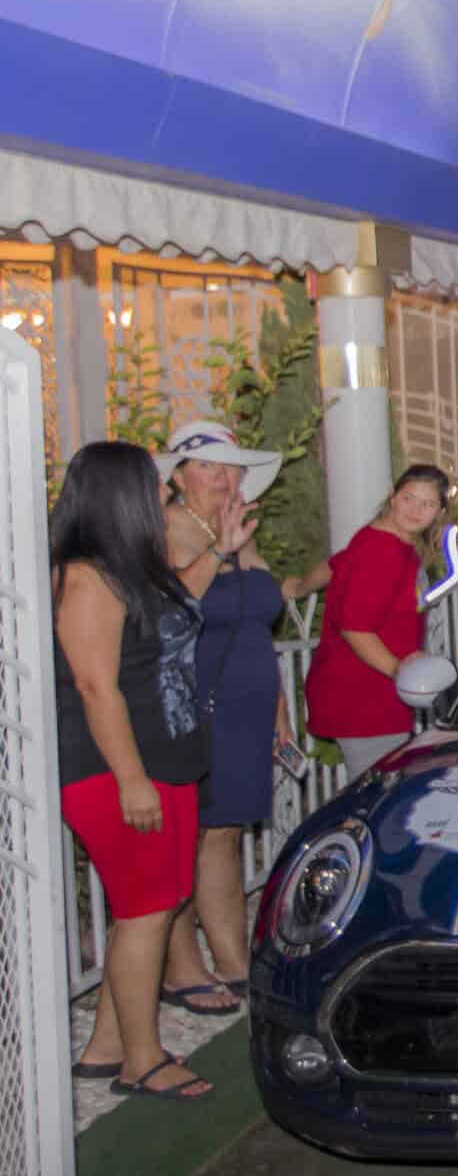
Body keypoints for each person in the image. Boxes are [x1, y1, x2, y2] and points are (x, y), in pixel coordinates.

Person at [55, 442, 228, 1098]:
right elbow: (95, 686)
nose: (165, 492)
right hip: (119, 769)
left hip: (164, 758)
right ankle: (142, 1060)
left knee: (153, 904)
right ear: (121, 492)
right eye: (154, 483)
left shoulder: (130, 565)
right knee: (147, 909)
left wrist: (221, 548)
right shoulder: (87, 575)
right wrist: (131, 778)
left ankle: (107, 1045)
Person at [156, 421, 330, 1015]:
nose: (222, 476)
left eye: (230, 466)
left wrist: (280, 710)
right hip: (195, 705)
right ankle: (189, 965)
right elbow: (174, 607)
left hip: (249, 707)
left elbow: (260, 629)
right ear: (180, 476)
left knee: (225, 834)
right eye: (208, 465)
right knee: (192, 836)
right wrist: (220, 548)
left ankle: (230, 959)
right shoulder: (166, 531)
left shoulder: (240, 533)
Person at [305, 465, 448, 778]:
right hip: (366, 700)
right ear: (393, 497)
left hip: (373, 696)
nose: (416, 510)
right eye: (409, 498)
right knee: (380, 790)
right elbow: (355, 628)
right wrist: (401, 672)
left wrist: (298, 587)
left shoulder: (384, 539)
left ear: (439, 512)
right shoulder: (383, 551)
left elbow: (336, 564)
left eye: (427, 504)